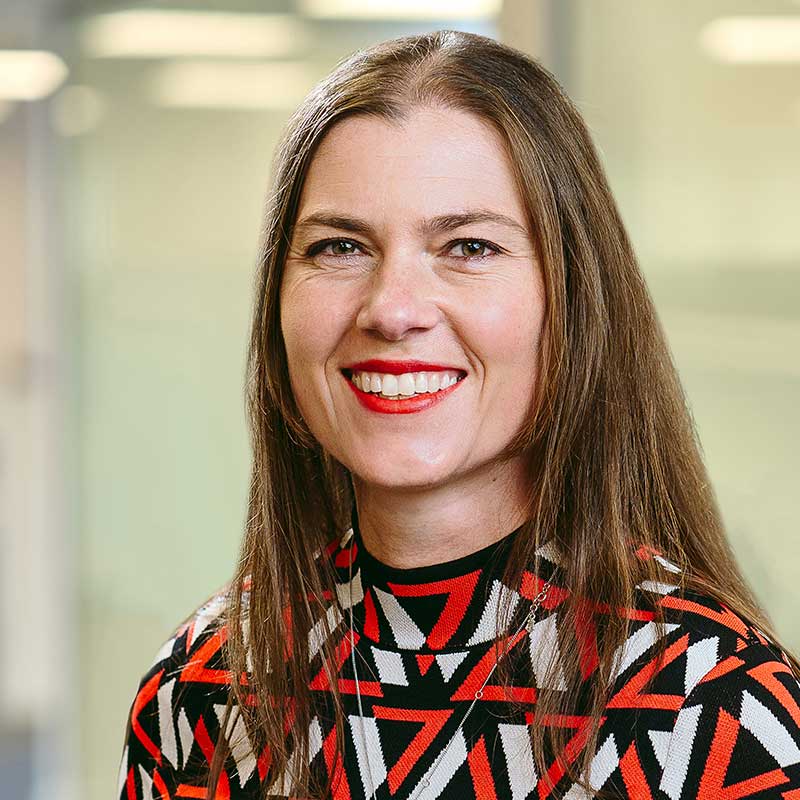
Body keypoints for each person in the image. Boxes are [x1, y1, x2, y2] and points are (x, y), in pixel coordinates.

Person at [117, 30, 800, 800]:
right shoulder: (203, 690)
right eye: (340, 247)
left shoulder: (711, 711)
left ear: (574, 301)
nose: (391, 309)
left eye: (469, 247)